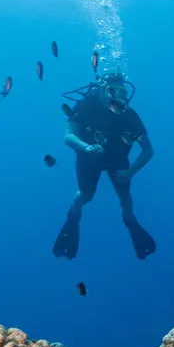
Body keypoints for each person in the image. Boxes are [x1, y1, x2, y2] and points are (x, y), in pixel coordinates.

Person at [52, 71, 157, 260]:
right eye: (112, 90)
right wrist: (86, 148)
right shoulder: (85, 106)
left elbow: (148, 149)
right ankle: (73, 216)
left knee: (125, 197)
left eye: (121, 92)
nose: (116, 97)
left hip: (117, 158)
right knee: (86, 195)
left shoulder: (128, 114)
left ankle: (130, 221)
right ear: (101, 89)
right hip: (88, 157)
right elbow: (69, 137)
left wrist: (131, 172)